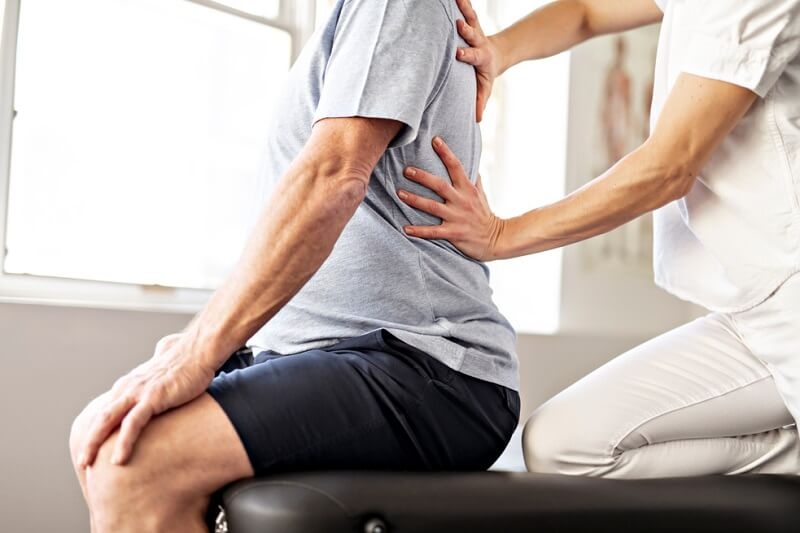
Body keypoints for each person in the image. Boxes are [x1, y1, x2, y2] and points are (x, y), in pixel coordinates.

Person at [68, 1, 521, 531]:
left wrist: (200, 349)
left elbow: (333, 178)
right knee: (100, 433)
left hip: (429, 363)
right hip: (328, 349)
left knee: (137, 462)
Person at [398, 0, 800, 477]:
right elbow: (588, 10)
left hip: (787, 290)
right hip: (750, 306)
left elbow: (668, 168)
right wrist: (498, 51)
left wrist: (502, 235)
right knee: (562, 444)